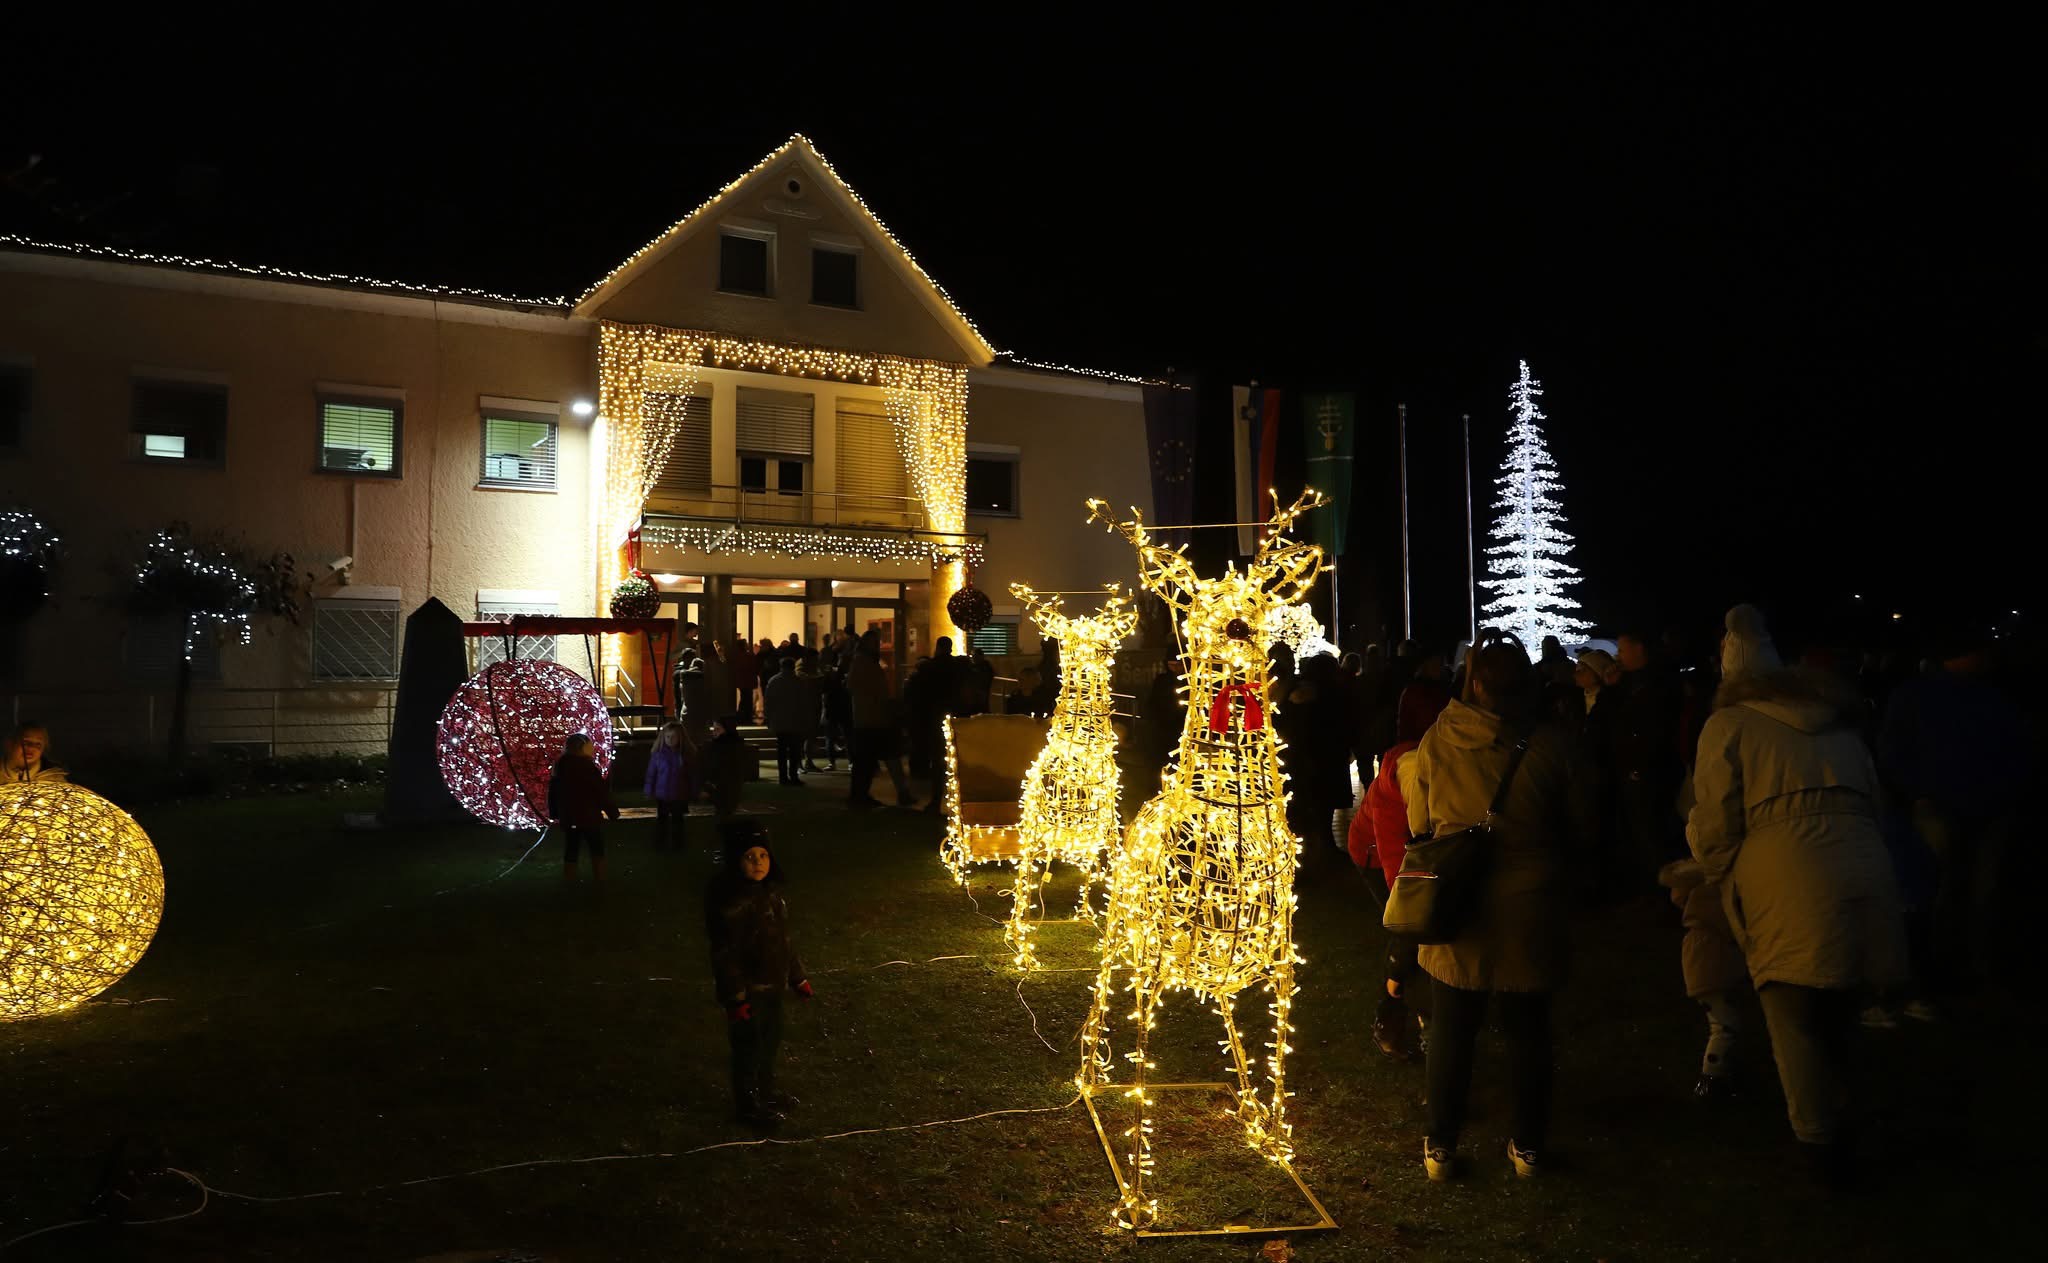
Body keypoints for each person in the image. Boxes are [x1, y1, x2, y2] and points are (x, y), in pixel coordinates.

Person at [1687, 603, 1909, 1184]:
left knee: (1793, 1009)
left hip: (1784, 872)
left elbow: (1714, 816)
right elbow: (1876, 802)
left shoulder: (1729, 725)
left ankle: (1819, 1144)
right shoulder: (1838, 725)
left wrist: (1718, 868)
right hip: (1864, 865)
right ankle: (1856, 1115)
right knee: (1847, 1001)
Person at [1402, 634, 1578, 1182]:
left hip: (1460, 898)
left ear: (1472, 681)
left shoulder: (1439, 740)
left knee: (1453, 1028)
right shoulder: (1552, 745)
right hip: (1530, 901)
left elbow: (1418, 822)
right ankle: (1527, 1146)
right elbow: (1580, 823)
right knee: (1529, 1030)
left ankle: (1441, 1145)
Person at [1875, 624, 2026, 1007]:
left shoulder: (1979, 695)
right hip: (1951, 807)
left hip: (1975, 806)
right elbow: (1893, 753)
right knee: (1946, 891)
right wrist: (1919, 793)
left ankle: (1962, 968)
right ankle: (1944, 969)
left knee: (1968, 892)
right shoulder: (1934, 696)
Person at [1348, 684, 1451, 1060]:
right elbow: (1400, 884)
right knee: (1410, 930)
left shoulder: (1437, 764)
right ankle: (1393, 1015)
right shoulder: (1394, 792)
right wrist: (1408, 927)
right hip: (1374, 856)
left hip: (1425, 852)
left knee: (1429, 933)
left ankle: (1423, 1011)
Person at [705, 820, 813, 1131]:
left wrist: (797, 977)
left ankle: (765, 1091)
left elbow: (784, 941)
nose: (758, 863)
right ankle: (748, 1103)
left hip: (773, 987)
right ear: (736, 860)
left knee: (769, 1043)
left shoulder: (771, 894)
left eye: (763, 856)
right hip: (747, 993)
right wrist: (735, 997)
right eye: (749, 857)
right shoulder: (731, 903)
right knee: (747, 1047)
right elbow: (725, 955)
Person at [1611, 627, 1685, 898]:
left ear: (1639, 647)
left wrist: (1639, 767)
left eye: (1622, 649)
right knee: (1645, 834)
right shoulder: (1632, 682)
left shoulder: (1657, 682)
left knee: (1654, 835)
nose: (1618, 655)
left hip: (1650, 772)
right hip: (1638, 770)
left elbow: (1654, 728)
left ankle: (1666, 894)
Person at [847, 629, 912, 808]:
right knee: (878, 759)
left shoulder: (863, 662)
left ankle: (861, 795)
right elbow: (868, 689)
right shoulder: (864, 663)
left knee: (872, 760)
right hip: (872, 719)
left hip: (871, 718)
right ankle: (862, 796)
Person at [549, 733, 620, 881]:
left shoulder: (560, 767)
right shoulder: (588, 768)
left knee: (571, 848)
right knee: (596, 848)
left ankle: (570, 878)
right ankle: (599, 878)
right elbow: (601, 793)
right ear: (583, 748)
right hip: (589, 818)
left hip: (570, 818)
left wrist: (555, 813)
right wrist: (612, 812)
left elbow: (554, 793)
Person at [643, 720, 698, 851]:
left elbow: (693, 775)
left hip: (679, 794)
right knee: (662, 820)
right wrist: (648, 790)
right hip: (662, 795)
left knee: (677, 821)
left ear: (680, 738)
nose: (670, 740)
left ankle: (678, 846)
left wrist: (695, 791)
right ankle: (660, 845)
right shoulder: (658, 755)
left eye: (673, 737)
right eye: (667, 737)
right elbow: (651, 774)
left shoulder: (685, 755)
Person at [764, 656, 813, 786]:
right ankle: (793, 776)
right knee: (794, 751)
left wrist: (768, 718)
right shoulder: (798, 682)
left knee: (781, 751)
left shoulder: (774, 681)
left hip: (780, 721)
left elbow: (768, 702)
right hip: (794, 721)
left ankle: (783, 777)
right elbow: (804, 703)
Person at [706, 714, 752, 820]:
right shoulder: (717, 745)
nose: (714, 732)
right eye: (714, 729)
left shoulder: (730, 746)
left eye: (718, 729)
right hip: (720, 786)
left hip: (727, 786)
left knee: (725, 812)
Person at [729, 638, 759, 724]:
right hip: (747, 681)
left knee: (744, 699)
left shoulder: (737, 656)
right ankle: (745, 718)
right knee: (747, 700)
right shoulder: (747, 656)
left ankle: (742, 717)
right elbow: (752, 668)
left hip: (743, 681)